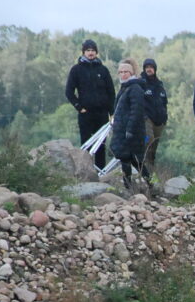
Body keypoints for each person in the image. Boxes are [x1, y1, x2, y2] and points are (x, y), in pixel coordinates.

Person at [65, 39, 115, 170]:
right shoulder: (76, 70)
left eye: (93, 50)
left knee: (101, 146)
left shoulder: (103, 70)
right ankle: (85, 172)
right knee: (86, 145)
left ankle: (100, 173)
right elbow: (69, 92)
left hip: (102, 114)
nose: (91, 53)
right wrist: (79, 107)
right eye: (88, 50)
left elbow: (111, 92)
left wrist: (112, 112)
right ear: (83, 52)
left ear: (96, 52)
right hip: (86, 114)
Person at [109, 59, 152, 194]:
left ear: (132, 72)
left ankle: (139, 186)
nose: (123, 74)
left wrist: (130, 129)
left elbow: (136, 111)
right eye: (120, 72)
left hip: (131, 131)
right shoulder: (125, 87)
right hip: (121, 129)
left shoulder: (135, 89)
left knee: (133, 159)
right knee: (128, 159)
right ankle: (138, 186)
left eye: (126, 72)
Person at [140, 58, 168, 172]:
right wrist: (143, 115)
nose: (149, 69)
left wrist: (165, 117)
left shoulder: (159, 84)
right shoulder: (141, 83)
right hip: (146, 119)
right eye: (147, 67)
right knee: (148, 140)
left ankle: (150, 171)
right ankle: (141, 165)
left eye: (151, 67)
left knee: (154, 147)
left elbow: (164, 102)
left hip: (159, 121)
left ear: (155, 69)